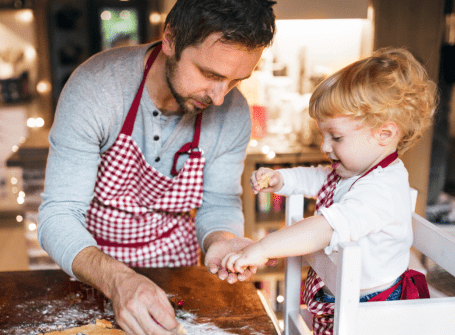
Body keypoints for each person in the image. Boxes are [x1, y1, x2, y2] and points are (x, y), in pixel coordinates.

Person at [37, 1, 276, 334]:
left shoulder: (233, 114)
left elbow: (220, 203)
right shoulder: (97, 88)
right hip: (93, 270)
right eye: (210, 74)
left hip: (176, 273)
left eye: (236, 81)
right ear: (170, 40)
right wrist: (119, 280)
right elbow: (57, 215)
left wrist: (220, 240)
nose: (220, 97)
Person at [222, 47, 437, 334]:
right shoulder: (357, 169)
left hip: (373, 313)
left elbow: (323, 229)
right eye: (324, 135)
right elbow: (319, 178)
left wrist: (263, 248)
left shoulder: (382, 190)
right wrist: (281, 179)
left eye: (336, 137)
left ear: (384, 134)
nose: (325, 147)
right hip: (345, 297)